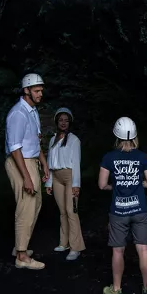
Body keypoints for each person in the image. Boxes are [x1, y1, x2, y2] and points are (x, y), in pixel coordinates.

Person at [98, 117, 147, 294]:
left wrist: (115, 186)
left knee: (118, 251)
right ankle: (146, 289)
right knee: (143, 249)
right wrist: (137, 183)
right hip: (140, 209)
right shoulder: (142, 157)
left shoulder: (108, 158)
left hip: (118, 212)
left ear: (116, 135)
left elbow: (101, 185)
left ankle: (116, 290)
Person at [4, 73, 49, 270]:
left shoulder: (32, 111)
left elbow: (35, 140)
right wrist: (27, 178)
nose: (41, 94)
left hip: (31, 160)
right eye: (37, 91)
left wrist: (44, 165)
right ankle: (21, 257)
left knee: (35, 204)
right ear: (26, 91)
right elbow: (15, 149)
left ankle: (20, 247)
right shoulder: (18, 114)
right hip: (20, 161)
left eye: (41, 90)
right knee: (26, 206)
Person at [45, 107, 86, 261]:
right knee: (62, 211)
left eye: (66, 120)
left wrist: (76, 184)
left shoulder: (74, 140)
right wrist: (48, 182)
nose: (63, 123)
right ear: (57, 121)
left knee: (71, 211)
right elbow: (50, 162)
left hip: (69, 176)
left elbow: (76, 163)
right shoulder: (52, 139)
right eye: (61, 120)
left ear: (70, 122)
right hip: (56, 176)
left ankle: (76, 247)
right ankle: (64, 243)